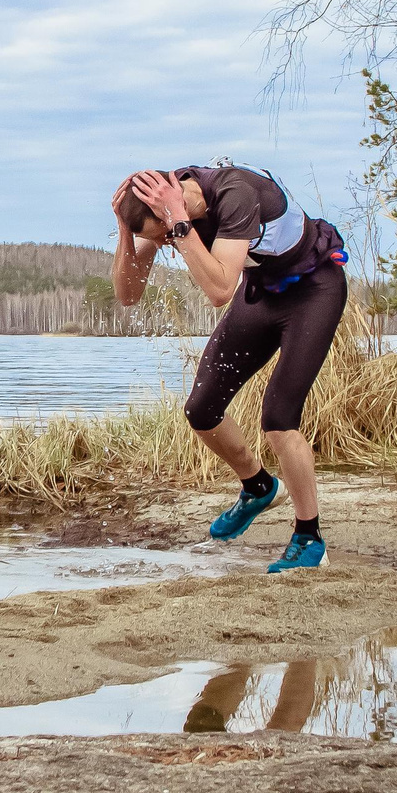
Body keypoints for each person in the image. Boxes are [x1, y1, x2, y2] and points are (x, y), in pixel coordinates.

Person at [109, 161, 347, 572]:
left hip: (314, 290)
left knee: (278, 419)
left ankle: (309, 537)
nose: (168, 244)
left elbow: (219, 290)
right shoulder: (169, 212)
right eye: (161, 239)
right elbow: (128, 295)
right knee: (201, 410)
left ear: (175, 202)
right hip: (263, 294)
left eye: (166, 235)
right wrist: (126, 233)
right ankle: (258, 486)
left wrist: (179, 225)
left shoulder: (234, 193)